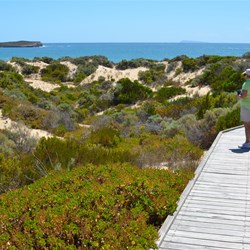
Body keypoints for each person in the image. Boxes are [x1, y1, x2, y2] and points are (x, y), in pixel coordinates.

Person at [239, 69, 250, 148]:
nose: (244, 76)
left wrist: (238, 95)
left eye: (244, 75)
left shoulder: (246, 84)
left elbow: (244, 96)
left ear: (247, 75)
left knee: (247, 125)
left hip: (246, 106)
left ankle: (247, 142)